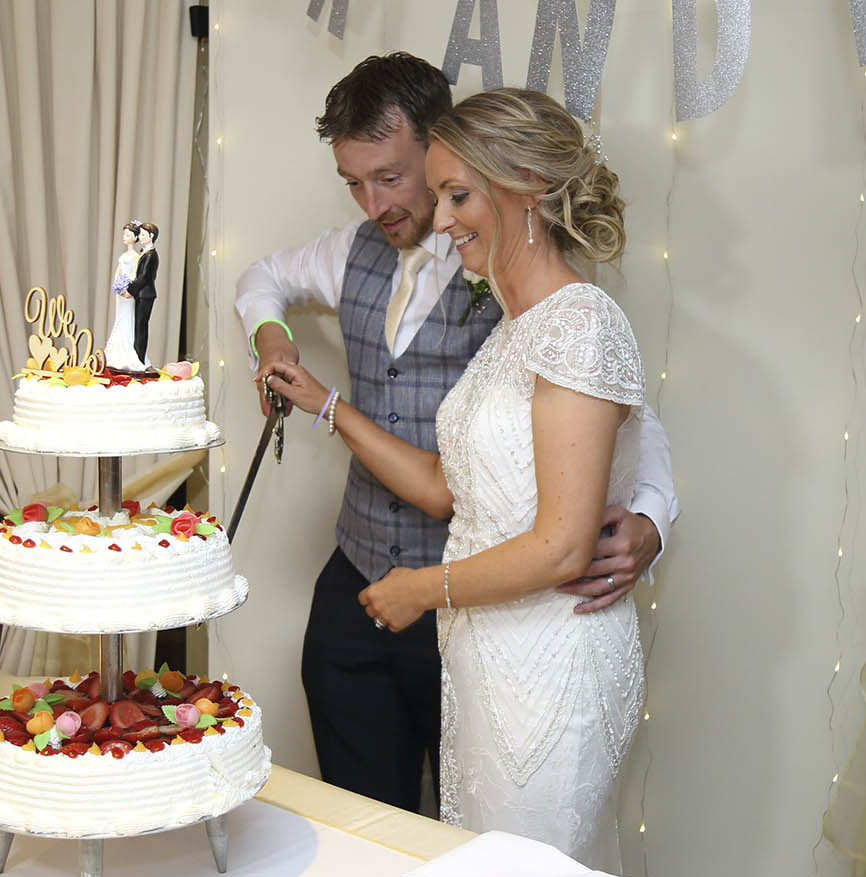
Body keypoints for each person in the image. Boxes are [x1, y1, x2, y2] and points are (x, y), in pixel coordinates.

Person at [234, 53, 679, 818]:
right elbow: (260, 281)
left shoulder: (540, 292)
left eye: (397, 178)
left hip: (499, 611)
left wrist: (650, 518)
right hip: (375, 579)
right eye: (354, 182)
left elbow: (629, 424)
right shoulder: (365, 256)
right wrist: (278, 348)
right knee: (369, 820)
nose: (378, 204)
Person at [103, 221, 146, 370]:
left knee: (127, 319)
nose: (125, 237)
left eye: (128, 234)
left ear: (135, 237)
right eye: (124, 234)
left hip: (128, 294)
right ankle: (116, 355)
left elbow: (135, 275)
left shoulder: (136, 256)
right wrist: (117, 285)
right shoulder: (124, 256)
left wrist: (127, 288)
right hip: (120, 294)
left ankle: (128, 353)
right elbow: (118, 271)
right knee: (119, 318)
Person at [127, 222, 159, 366]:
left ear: (151, 236)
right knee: (138, 326)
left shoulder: (151, 255)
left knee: (141, 326)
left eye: (143, 234)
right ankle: (137, 357)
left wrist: (129, 290)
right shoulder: (145, 252)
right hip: (141, 294)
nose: (140, 237)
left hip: (145, 295)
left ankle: (139, 359)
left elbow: (145, 277)